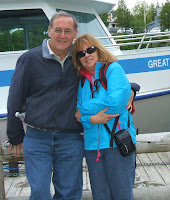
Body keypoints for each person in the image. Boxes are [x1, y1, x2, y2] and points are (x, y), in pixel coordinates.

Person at [7, 11, 139, 200]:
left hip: (71, 139)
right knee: (39, 193)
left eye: (67, 31)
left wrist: (132, 89)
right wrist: (15, 135)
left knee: (69, 193)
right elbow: (15, 97)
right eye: (58, 30)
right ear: (49, 31)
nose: (62, 35)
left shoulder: (78, 61)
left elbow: (110, 82)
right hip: (39, 137)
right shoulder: (30, 59)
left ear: (75, 33)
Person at [72, 34, 137, 200]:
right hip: (93, 147)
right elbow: (79, 117)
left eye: (90, 49)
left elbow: (116, 103)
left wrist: (85, 109)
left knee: (122, 195)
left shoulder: (113, 69)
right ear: (78, 59)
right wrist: (92, 119)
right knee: (100, 196)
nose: (86, 55)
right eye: (81, 53)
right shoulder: (82, 81)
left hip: (117, 143)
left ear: (98, 49)